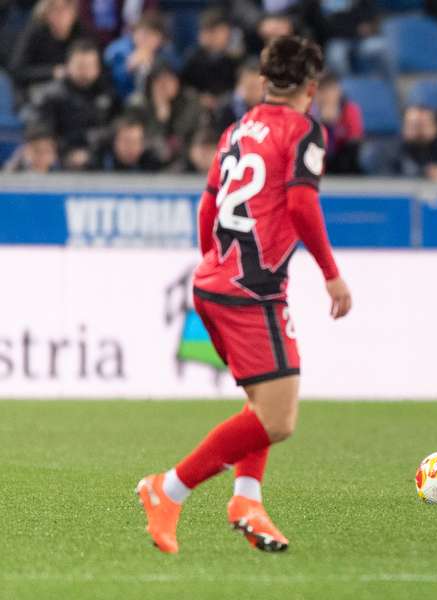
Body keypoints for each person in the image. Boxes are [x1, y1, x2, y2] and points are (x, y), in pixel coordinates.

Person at [136, 35, 352, 554]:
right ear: (312, 87)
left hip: (216, 281)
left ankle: (247, 499)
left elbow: (208, 208)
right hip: (249, 291)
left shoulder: (237, 129)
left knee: (261, 404)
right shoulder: (305, 130)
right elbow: (301, 205)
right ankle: (167, 489)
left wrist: (213, 264)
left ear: (263, 81)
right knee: (279, 418)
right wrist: (331, 273)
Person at [34, 38, 119, 170]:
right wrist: (67, 153)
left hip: (100, 159)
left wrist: (96, 142)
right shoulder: (51, 96)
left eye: (90, 66)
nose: (85, 71)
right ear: (68, 65)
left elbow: (116, 126)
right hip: (60, 162)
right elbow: (43, 134)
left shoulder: (108, 93)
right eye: (80, 66)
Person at [129, 61, 204, 166]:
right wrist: (161, 114)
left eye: (168, 80)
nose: (164, 86)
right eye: (159, 82)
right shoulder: (140, 105)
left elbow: (181, 134)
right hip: (149, 159)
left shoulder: (190, 100)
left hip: (184, 156)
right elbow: (146, 138)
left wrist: (166, 114)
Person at [8, 0, 84, 95]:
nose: (61, 15)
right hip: (38, 91)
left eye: (66, 9)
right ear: (46, 12)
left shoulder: (80, 33)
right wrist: (52, 72)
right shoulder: (34, 33)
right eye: (55, 10)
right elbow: (17, 71)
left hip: (74, 93)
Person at [374, 105, 437, 180]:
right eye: (414, 125)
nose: (419, 131)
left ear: (435, 127)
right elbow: (386, 181)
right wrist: (423, 175)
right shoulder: (388, 153)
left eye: (424, 125)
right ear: (404, 127)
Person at [103, 10, 176, 99]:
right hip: (122, 101)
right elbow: (111, 82)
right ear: (134, 32)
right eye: (143, 34)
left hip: (153, 102)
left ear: (161, 39)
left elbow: (176, 73)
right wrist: (128, 67)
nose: (146, 40)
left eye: (152, 36)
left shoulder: (165, 52)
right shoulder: (119, 50)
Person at [180, 8, 239, 108]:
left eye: (225, 31)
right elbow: (184, 86)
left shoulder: (234, 59)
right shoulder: (193, 58)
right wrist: (199, 98)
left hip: (227, 106)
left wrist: (221, 100)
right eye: (219, 32)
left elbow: (237, 87)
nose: (225, 35)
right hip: (198, 106)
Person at [311, 71, 364, 174]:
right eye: (323, 90)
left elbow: (354, 144)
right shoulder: (309, 113)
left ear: (339, 90)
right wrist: (323, 123)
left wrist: (334, 127)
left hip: (345, 166)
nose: (328, 95)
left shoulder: (350, 110)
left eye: (331, 89)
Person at [92, 113, 162, 171]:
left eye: (135, 142)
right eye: (126, 141)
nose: (131, 147)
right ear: (114, 142)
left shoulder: (153, 166)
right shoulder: (97, 164)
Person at [212, 58, 265, 134]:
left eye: (257, 87)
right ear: (239, 85)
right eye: (249, 87)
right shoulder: (226, 109)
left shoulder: (273, 109)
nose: (253, 92)